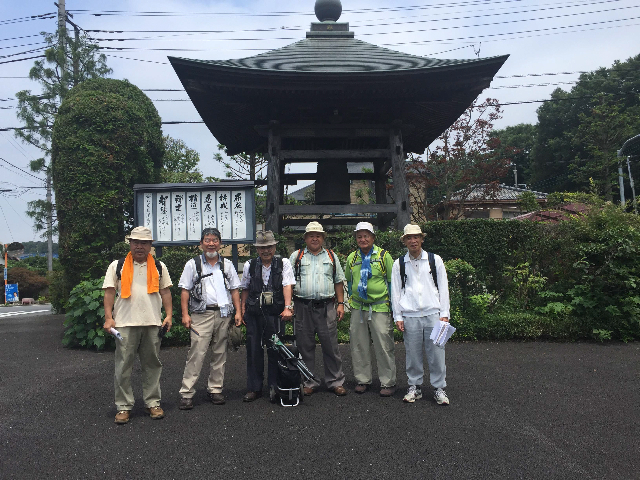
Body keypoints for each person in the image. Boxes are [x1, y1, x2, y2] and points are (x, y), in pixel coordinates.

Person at [102, 226, 173, 424]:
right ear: (130, 243)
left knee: (152, 365)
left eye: (144, 243)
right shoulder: (117, 266)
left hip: (152, 322)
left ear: (150, 245)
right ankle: (123, 406)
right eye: (136, 242)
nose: (139, 246)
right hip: (124, 323)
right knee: (123, 366)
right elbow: (109, 292)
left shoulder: (159, 266)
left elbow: (166, 292)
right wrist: (109, 318)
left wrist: (169, 315)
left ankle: (153, 403)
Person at [177, 227, 242, 409]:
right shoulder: (193, 264)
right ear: (201, 243)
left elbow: (234, 290)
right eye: (207, 240)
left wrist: (238, 312)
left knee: (220, 353)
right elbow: (185, 290)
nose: (211, 243)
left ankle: (215, 389)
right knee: (197, 353)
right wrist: (185, 314)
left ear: (220, 244)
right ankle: (187, 392)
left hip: (223, 313)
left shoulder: (227, 265)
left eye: (215, 240)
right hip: (200, 314)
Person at [391, 224, 451, 405]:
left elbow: (443, 288)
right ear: (404, 241)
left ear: (422, 239)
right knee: (412, 354)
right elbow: (396, 292)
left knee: (437, 353)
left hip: (434, 314)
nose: (413, 240)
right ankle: (414, 387)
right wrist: (398, 316)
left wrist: (445, 313)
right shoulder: (399, 263)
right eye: (409, 238)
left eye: (416, 237)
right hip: (410, 315)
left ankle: (439, 388)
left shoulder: (435, 260)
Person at [289, 221, 348, 396]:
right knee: (305, 346)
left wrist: (341, 304)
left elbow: (338, 281)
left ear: (323, 238)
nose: (315, 238)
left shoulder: (331, 256)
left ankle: (335, 381)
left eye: (318, 235)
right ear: (305, 238)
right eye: (311, 235)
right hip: (302, 306)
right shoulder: (297, 256)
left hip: (326, 306)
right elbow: (289, 283)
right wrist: (289, 305)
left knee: (331, 346)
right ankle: (309, 381)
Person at [240, 230, 295, 402]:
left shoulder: (283, 263)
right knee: (253, 350)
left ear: (274, 247)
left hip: (275, 313)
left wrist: (288, 307)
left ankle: (275, 385)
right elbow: (246, 288)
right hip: (254, 314)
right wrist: (242, 310)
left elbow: (287, 285)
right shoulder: (250, 264)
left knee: (276, 349)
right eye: (262, 247)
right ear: (257, 249)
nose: (266, 250)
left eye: (269, 247)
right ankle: (254, 388)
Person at [344, 222, 396, 397]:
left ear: (373, 237)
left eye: (366, 236)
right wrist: (350, 301)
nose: (363, 239)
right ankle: (362, 379)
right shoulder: (352, 258)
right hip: (358, 307)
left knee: (383, 344)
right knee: (358, 344)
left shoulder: (383, 256)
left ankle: (388, 382)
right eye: (359, 236)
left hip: (380, 306)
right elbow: (349, 282)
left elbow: (391, 282)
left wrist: (393, 307)